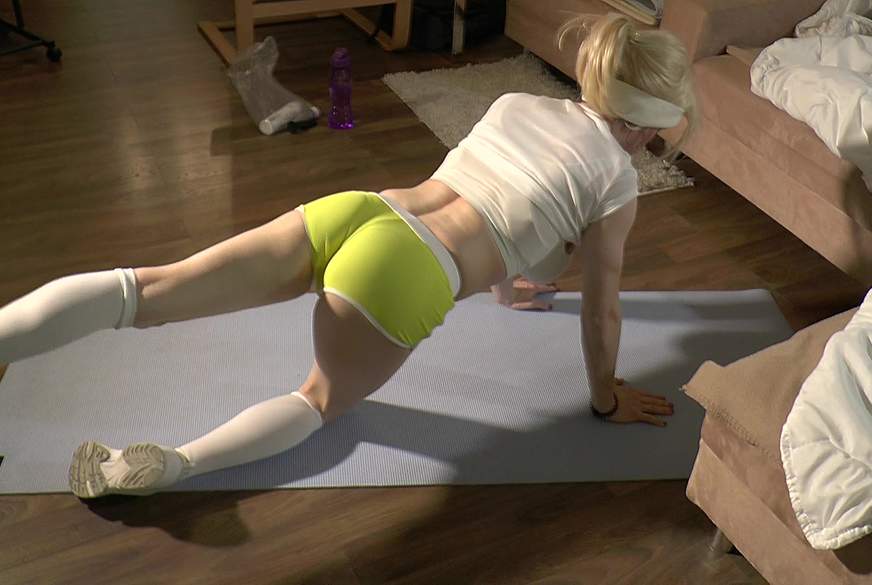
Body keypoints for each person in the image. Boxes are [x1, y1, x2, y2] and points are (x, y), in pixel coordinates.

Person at [0, 13, 697, 499]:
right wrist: (605, 398)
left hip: (362, 211)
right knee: (320, 398)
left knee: (148, 289)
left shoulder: (518, 103)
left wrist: (506, 283)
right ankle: (175, 464)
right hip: (407, 274)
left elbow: (500, 196)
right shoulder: (616, 181)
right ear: (645, 126)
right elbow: (600, 310)